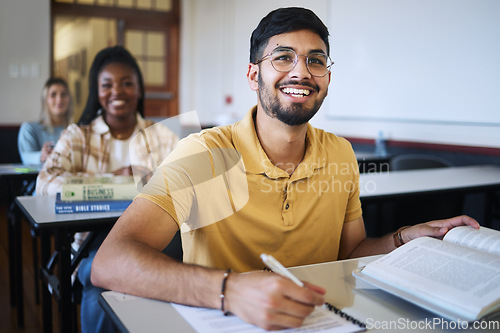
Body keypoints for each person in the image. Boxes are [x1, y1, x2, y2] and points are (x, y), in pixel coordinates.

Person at [91, 7, 479, 331]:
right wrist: (231, 291)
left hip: (320, 319)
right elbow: (111, 262)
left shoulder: (340, 153)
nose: (301, 72)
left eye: (316, 60)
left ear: (326, 76)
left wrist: (403, 238)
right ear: (253, 75)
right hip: (226, 320)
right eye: (282, 57)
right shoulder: (205, 153)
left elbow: (352, 252)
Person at [36, 46, 178, 332]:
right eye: (107, 85)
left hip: (154, 239)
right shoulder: (78, 135)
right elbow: (45, 182)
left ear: (139, 89)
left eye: (127, 83)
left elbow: (187, 183)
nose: (118, 91)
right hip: (93, 243)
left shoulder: (161, 135)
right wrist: (112, 181)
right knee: (100, 276)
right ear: (96, 91)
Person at [18, 77, 73, 165]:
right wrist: (41, 156)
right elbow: (26, 157)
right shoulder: (29, 128)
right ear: (45, 100)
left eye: (63, 94)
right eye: (53, 95)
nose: (59, 100)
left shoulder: (75, 130)